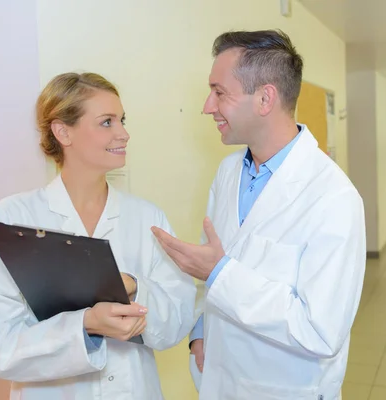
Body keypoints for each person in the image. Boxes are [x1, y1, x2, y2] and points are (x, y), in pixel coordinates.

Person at [0, 72, 196, 400]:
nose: (124, 133)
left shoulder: (148, 218)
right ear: (63, 131)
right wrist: (84, 326)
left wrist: (134, 288)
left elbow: (177, 322)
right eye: (107, 122)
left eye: (122, 120)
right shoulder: (11, 219)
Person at [151, 30, 366, 400]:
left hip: (284, 389)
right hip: (218, 379)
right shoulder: (229, 172)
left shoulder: (334, 197)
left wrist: (220, 274)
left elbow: (320, 330)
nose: (207, 106)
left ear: (265, 98)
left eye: (220, 92)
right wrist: (200, 331)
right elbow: (213, 266)